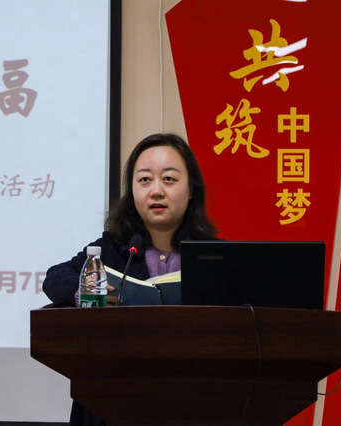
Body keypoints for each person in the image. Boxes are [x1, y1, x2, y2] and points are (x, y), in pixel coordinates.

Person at [42, 132, 218, 425]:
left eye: (169, 179)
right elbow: (55, 277)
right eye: (144, 180)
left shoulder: (215, 256)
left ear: (191, 190)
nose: (156, 191)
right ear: (132, 190)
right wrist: (86, 291)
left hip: (196, 399)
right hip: (114, 398)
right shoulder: (114, 248)